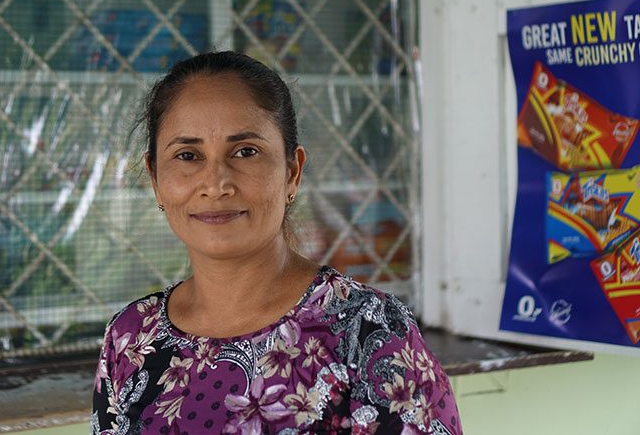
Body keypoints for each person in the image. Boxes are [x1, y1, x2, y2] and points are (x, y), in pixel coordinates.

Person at [92, 51, 461, 434]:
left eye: (246, 152)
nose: (216, 183)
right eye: (188, 155)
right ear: (155, 178)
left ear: (292, 172)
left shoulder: (368, 332)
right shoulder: (133, 338)